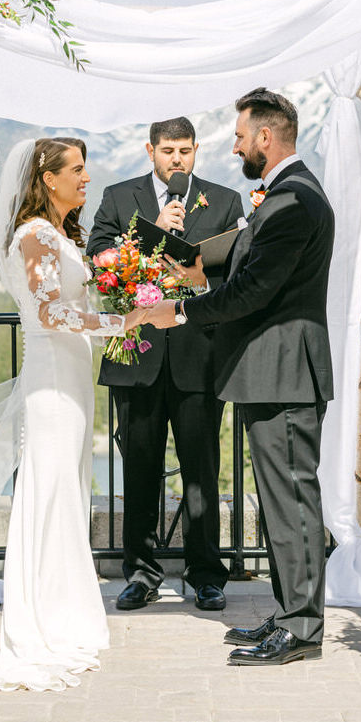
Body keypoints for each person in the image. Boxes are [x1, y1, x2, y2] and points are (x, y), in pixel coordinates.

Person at [146, 88, 334, 666]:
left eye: (239, 136)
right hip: (269, 373)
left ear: (265, 138)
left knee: (294, 504)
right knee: (281, 503)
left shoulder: (294, 201)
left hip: (284, 374)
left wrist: (179, 310)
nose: (233, 146)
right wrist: (205, 273)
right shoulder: (283, 196)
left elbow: (255, 292)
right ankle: (288, 613)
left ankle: (302, 629)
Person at [0, 137, 150, 692]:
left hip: (73, 375)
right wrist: (125, 324)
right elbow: (50, 314)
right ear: (48, 178)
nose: (86, 178)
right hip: (51, 379)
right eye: (77, 170)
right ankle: (40, 618)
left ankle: (65, 608)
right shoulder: (35, 234)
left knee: (68, 488)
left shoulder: (60, 234)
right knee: (48, 489)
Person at [87, 118, 244, 612]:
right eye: (167, 150)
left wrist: (200, 280)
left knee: (202, 469)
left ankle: (206, 575)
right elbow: (97, 258)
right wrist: (155, 234)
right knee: (139, 467)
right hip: (138, 355)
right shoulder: (119, 197)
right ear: (150, 150)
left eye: (185, 151)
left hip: (199, 355)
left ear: (196, 150)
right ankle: (140, 572)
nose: (177, 159)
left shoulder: (224, 201)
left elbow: (236, 275)